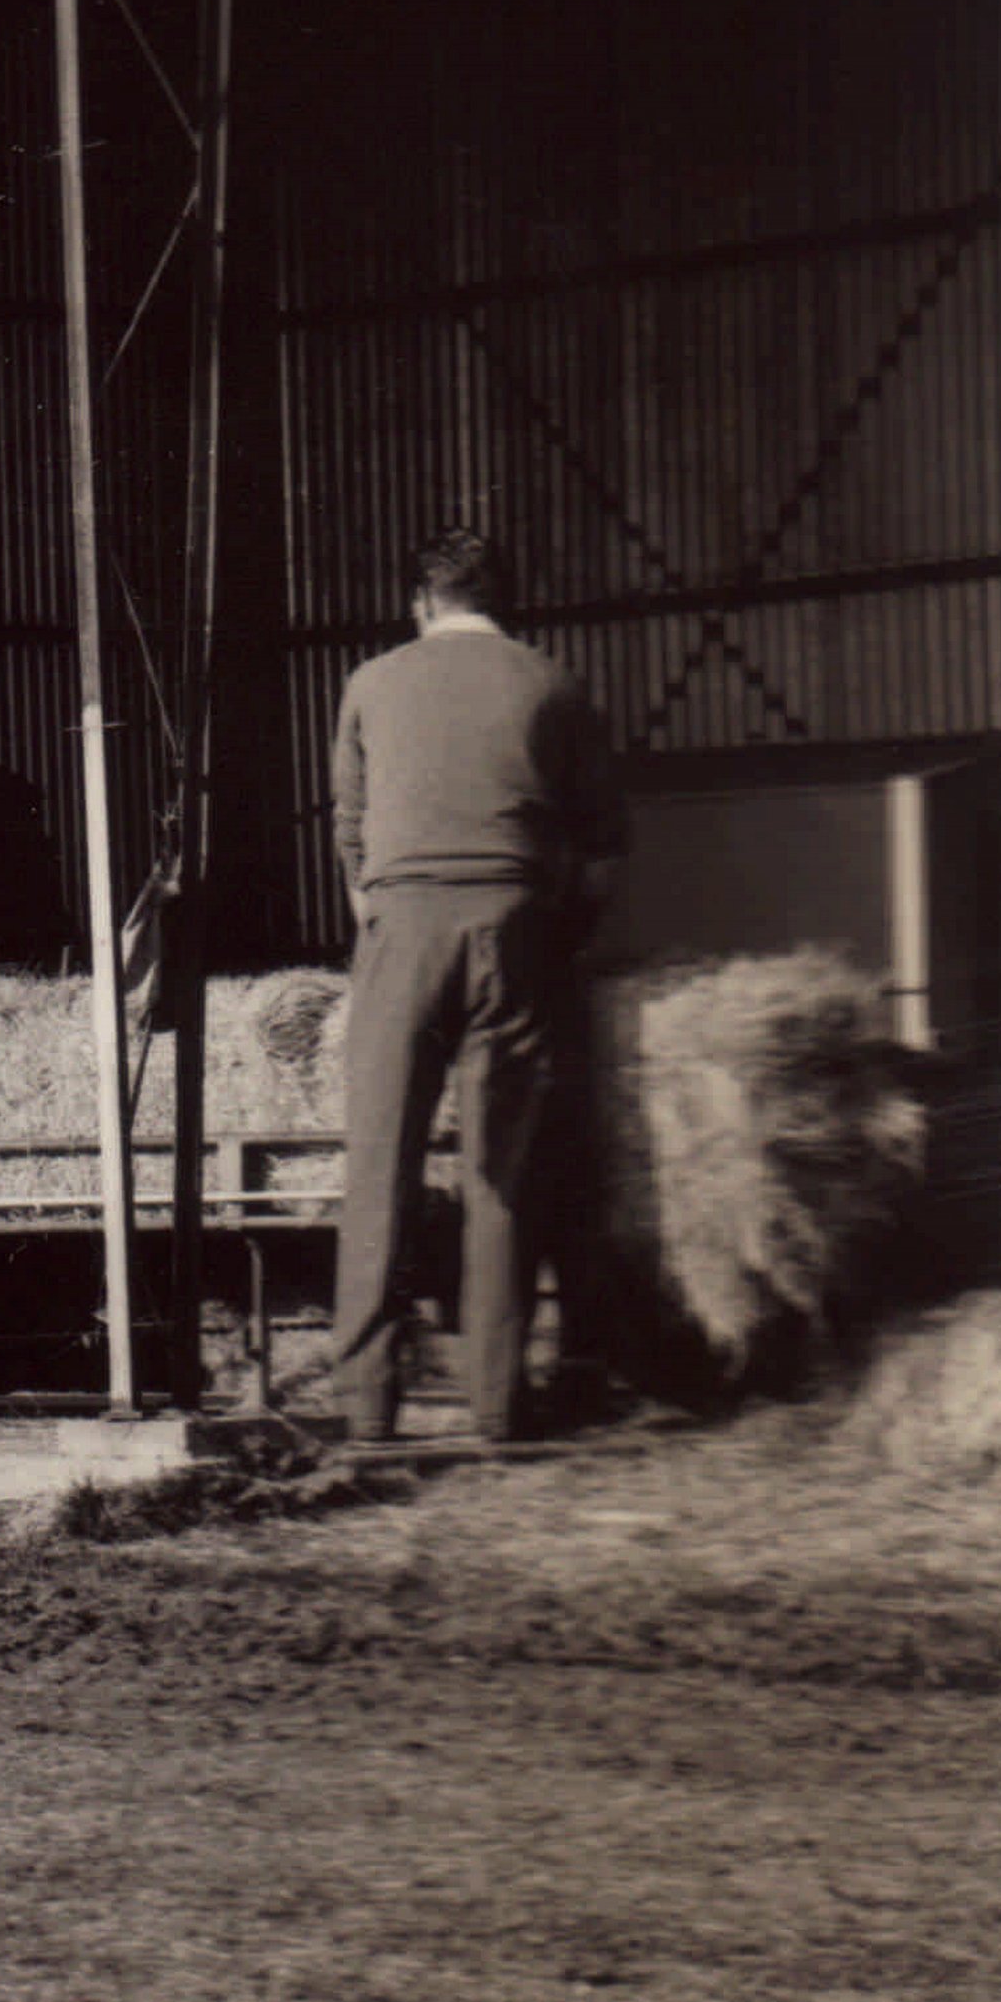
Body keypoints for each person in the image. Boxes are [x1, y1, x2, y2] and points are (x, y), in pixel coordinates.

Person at [322, 522, 622, 1443]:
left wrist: (381, 924)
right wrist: (550, 938)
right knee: (503, 1172)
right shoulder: (554, 683)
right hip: (514, 928)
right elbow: (603, 850)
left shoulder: (371, 683)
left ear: (420, 602)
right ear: (502, 600)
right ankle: (497, 1407)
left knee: (379, 1167)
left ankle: (366, 1409)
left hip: (402, 925)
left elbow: (349, 830)